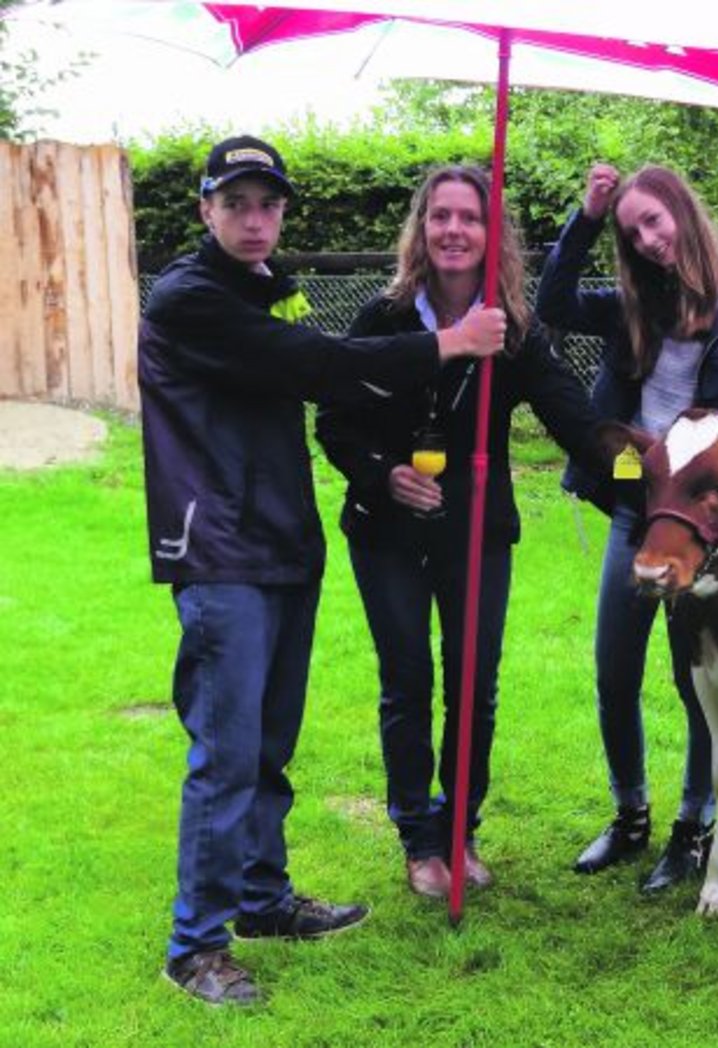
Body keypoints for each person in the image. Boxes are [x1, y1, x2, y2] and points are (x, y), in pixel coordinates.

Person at [140, 135, 501, 1007]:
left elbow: (330, 383)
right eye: (236, 204)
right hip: (221, 551)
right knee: (226, 752)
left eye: (268, 205)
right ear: (206, 211)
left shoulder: (270, 290)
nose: (255, 220)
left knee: (268, 742)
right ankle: (195, 946)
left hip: (284, 543)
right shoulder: (189, 298)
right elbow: (320, 369)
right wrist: (446, 344)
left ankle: (262, 898)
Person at [315, 164, 602, 901]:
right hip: (385, 532)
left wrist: (649, 473)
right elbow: (335, 421)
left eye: (469, 218)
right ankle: (418, 836)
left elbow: (577, 421)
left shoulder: (513, 330)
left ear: (490, 233)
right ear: (421, 228)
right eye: (439, 215)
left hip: (477, 531)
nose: (453, 230)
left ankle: (460, 828)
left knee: (474, 685)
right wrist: (381, 475)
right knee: (407, 680)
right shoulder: (382, 317)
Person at [536, 163, 718, 893]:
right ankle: (629, 816)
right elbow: (551, 303)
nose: (648, 240)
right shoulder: (631, 303)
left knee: (698, 683)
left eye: (655, 220)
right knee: (614, 673)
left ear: (683, 211)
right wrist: (586, 218)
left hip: (701, 530)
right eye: (632, 231)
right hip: (636, 510)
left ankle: (692, 827)